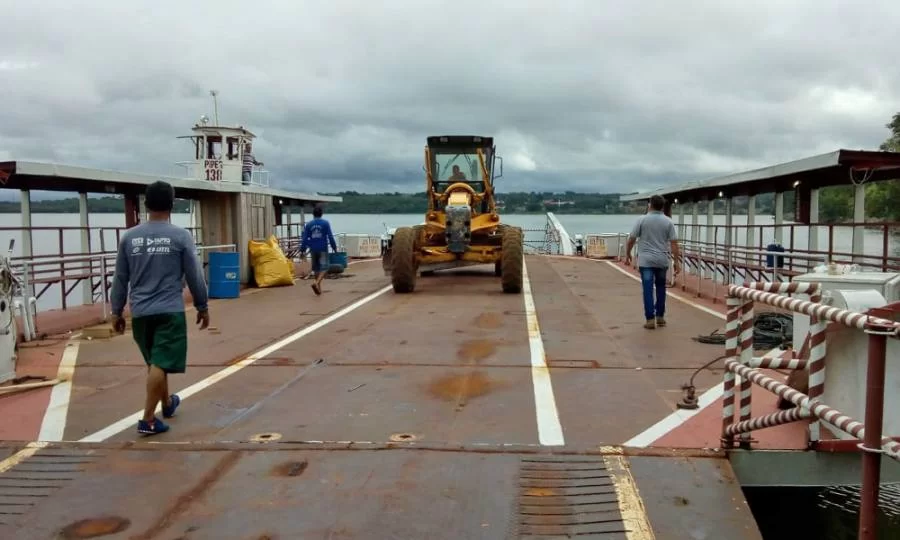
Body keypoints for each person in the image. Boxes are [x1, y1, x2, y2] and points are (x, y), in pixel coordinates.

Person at [110, 181, 210, 435]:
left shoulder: (129, 238)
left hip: (141, 312)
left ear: (146, 204)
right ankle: (148, 420)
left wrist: (116, 311)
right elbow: (195, 275)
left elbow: (120, 278)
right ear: (172, 205)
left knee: (156, 362)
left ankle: (166, 403)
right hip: (169, 311)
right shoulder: (180, 236)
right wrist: (202, 304)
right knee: (160, 362)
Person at [624, 194, 681, 329]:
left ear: (650, 205)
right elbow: (674, 243)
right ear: (662, 207)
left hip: (646, 261)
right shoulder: (668, 222)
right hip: (662, 260)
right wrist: (676, 262)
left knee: (647, 289)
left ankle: (650, 319)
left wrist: (628, 253)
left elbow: (632, 239)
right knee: (661, 288)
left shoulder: (641, 220)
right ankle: (660, 316)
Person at [300, 204, 338, 295]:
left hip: (313, 249)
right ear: (322, 214)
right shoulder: (325, 223)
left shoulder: (309, 224)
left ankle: (319, 289)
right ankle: (316, 283)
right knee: (325, 267)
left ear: (313, 214)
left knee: (316, 269)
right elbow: (330, 236)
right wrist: (334, 247)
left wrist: (302, 249)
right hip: (323, 249)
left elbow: (304, 238)